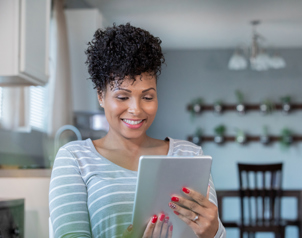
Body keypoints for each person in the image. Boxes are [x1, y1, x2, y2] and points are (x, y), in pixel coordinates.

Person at [49, 23, 226, 238]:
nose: (136, 109)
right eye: (122, 97)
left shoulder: (190, 155)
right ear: (101, 95)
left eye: (147, 97)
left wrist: (213, 232)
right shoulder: (75, 159)